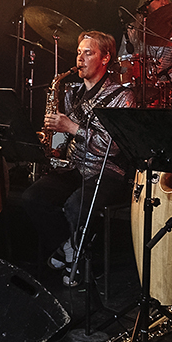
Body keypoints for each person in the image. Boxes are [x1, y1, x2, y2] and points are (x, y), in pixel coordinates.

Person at [20, 30, 131, 276]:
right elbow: (69, 135)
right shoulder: (73, 92)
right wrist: (56, 143)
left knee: (74, 206)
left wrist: (70, 127)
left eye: (88, 53)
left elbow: (112, 147)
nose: (80, 59)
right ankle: (70, 249)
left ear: (105, 58)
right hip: (75, 166)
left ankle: (73, 256)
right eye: (79, 52)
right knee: (31, 198)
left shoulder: (122, 96)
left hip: (108, 172)